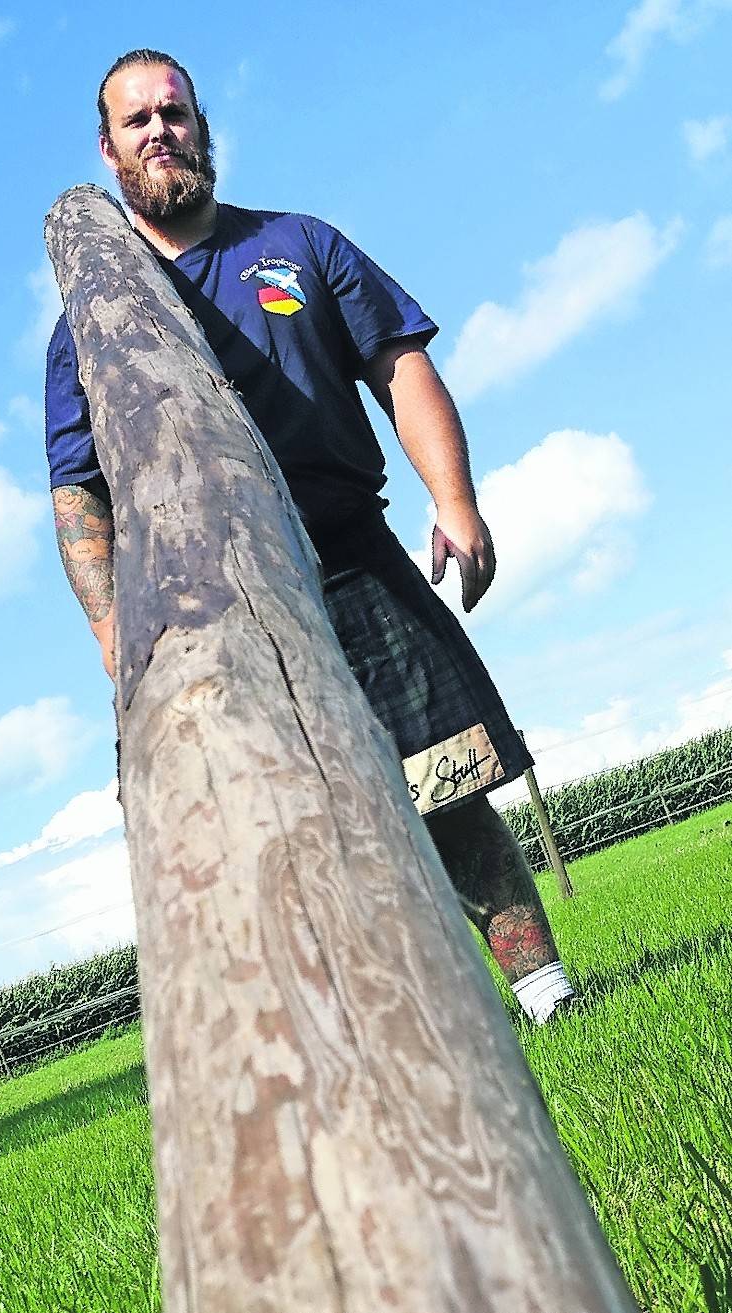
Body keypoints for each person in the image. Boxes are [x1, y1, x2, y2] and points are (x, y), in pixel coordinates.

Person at [45, 48, 576, 1024]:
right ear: (109, 150)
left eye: (176, 111)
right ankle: (396, 1038)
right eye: (139, 120)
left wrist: (453, 498)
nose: (162, 130)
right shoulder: (96, 328)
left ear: (200, 127)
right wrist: (115, 635)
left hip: (351, 561)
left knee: (446, 784)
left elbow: (399, 364)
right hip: (219, 613)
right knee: (296, 835)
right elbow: (79, 492)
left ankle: (547, 997)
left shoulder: (295, 244)